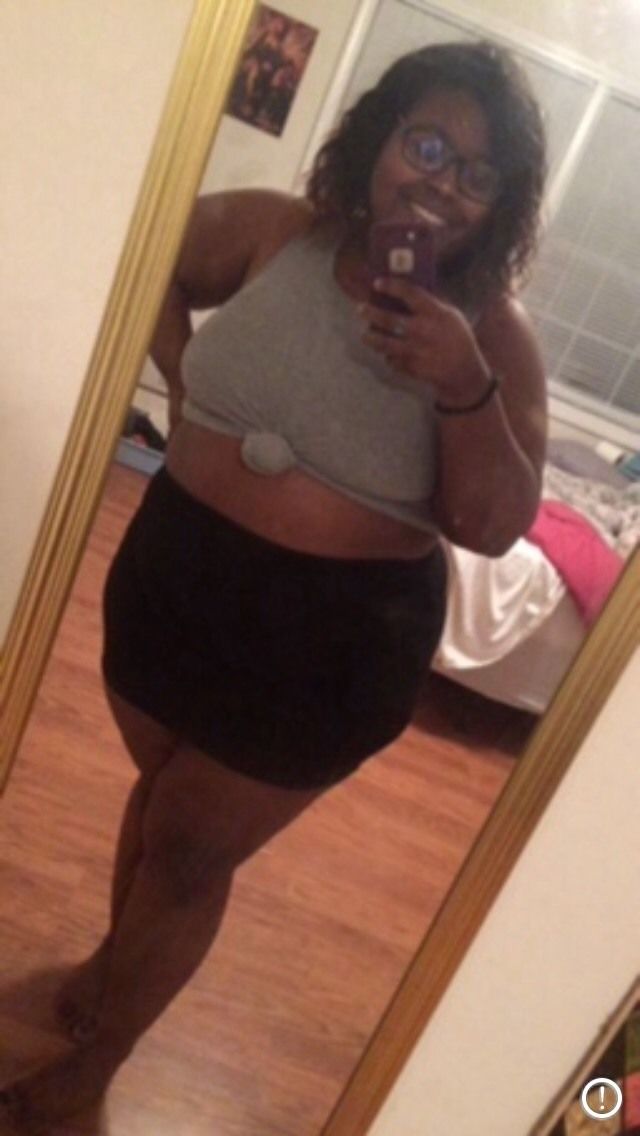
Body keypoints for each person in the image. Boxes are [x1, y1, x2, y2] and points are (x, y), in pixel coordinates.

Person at [0, 40, 548, 1130]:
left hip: (327, 645)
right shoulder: (276, 231)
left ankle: (91, 1074)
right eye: (426, 144)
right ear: (381, 137)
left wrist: (460, 382)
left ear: (500, 206)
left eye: (476, 173)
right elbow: (150, 255)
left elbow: (493, 527)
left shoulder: (492, 333)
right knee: (164, 808)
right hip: (175, 583)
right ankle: (113, 969)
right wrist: (177, 375)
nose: (440, 182)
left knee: (191, 848)